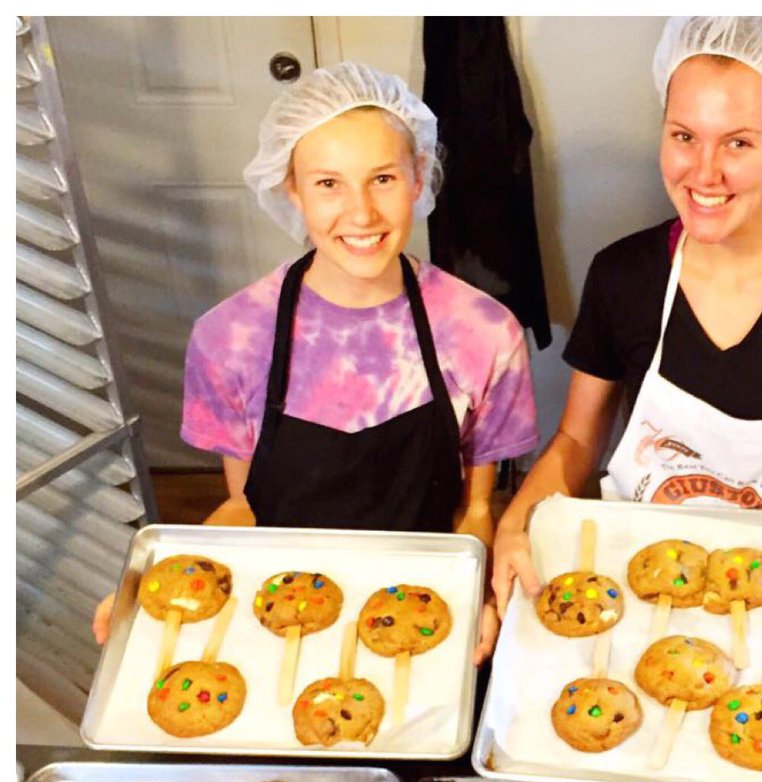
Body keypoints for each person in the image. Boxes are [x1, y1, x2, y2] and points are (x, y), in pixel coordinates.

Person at [93, 62, 540, 663]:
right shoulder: (230, 337)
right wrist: (161, 579)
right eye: (328, 184)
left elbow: (477, 508)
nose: (360, 214)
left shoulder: (484, 332)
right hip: (281, 621)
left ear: (418, 179)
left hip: (424, 618)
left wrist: (471, 599)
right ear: (292, 190)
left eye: (382, 178)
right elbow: (246, 504)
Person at [493, 16, 762, 614]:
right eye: (684, 136)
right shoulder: (624, 276)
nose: (704, 173)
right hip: (636, 586)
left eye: (738, 142)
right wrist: (516, 523)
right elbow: (577, 439)